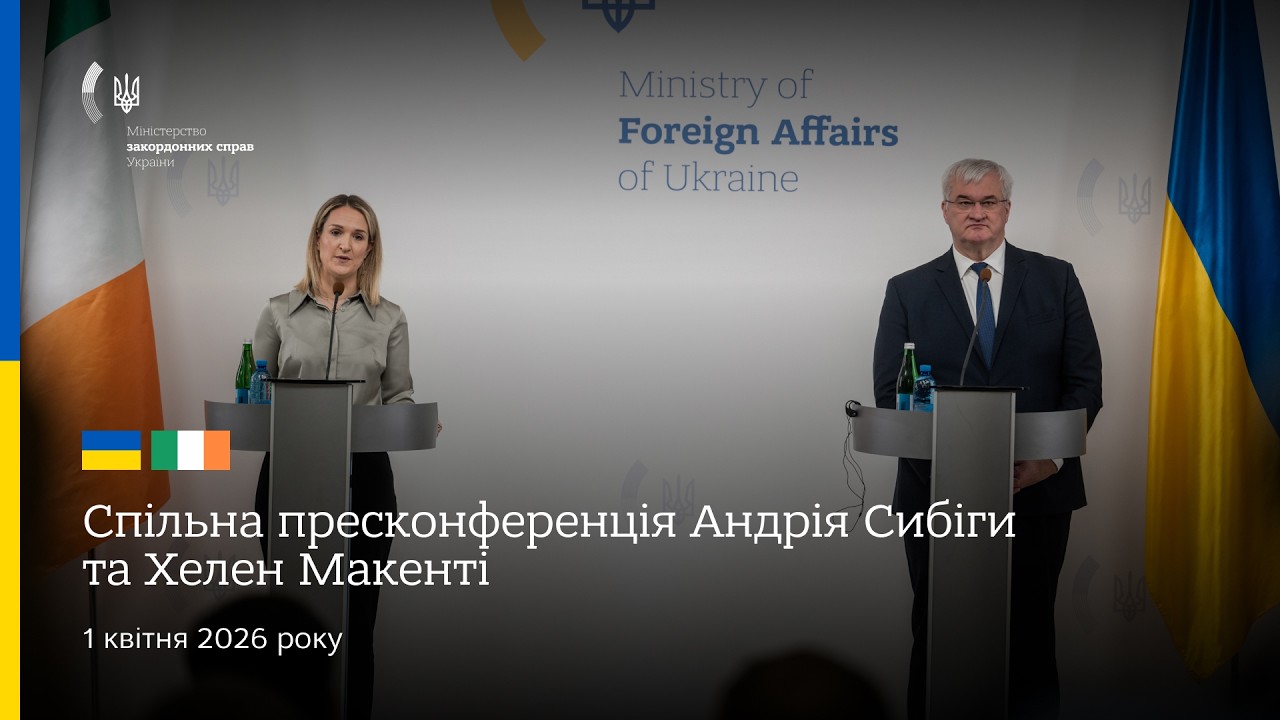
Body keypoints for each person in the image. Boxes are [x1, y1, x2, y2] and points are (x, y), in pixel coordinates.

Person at [872, 159, 1103, 719]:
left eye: (989, 201)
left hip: (1037, 495)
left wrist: (1048, 461)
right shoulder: (907, 290)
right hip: (937, 499)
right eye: (964, 202)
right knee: (938, 637)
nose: (977, 213)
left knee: (1030, 638)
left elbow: (1084, 383)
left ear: (1007, 209)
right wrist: (955, 475)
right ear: (945, 210)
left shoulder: (1056, 279)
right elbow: (892, 392)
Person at [254, 194, 427, 720]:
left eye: (358, 236)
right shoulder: (278, 311)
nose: (345, 245)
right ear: (317, 239)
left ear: (370, 249)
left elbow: (399, 396)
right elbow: (256, 393)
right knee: (291, 623)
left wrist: (413, 419)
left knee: (357, 621)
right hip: (290, 475)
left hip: (364, 478)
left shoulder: (390, 317)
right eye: (336, 232)